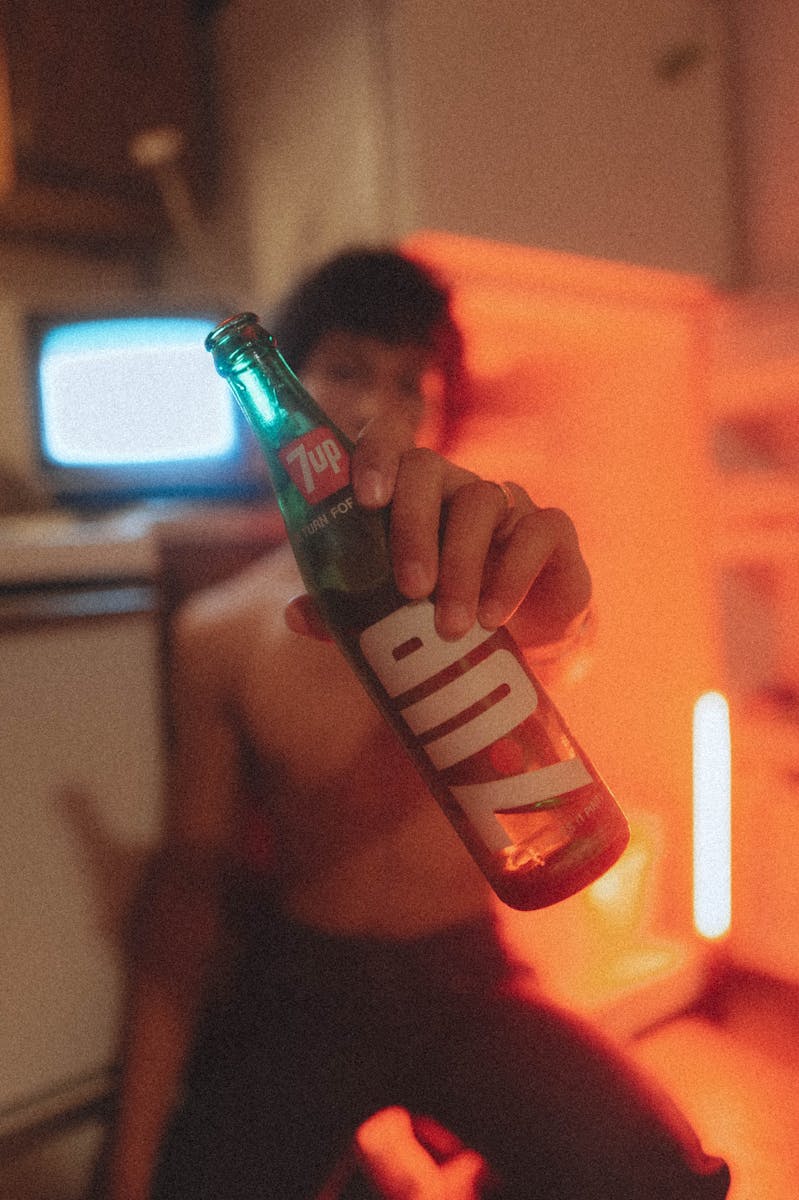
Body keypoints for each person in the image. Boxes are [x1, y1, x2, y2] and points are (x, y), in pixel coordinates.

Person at [103, 248, 730, 1200]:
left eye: (414, 384)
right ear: (284, 398)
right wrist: (131, 1155)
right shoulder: (219, 632)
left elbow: (555, 654)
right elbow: (189, 886)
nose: (381, 406)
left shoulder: (473, 590)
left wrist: (555, 626)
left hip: (468, 975)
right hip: (303, 985)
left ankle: (421, 1168)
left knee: (660, 1177)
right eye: (348, 369)